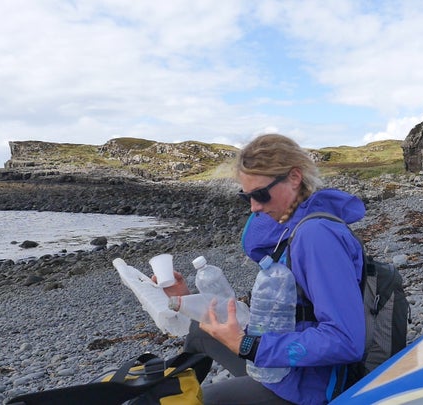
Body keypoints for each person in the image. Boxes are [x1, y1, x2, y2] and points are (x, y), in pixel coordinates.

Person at [156, 134, 366, 405]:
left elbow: (345, 340)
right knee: (201, 330)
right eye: (247, 197)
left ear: (294, 177)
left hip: (313, 386)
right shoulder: (289, 229)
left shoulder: (316, 236)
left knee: (203, 401)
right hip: (282, 364)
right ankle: (175, 389)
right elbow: (279, 308)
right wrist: (183, 300)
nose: (254, 207)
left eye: (260, 194)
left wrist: (249, 346)